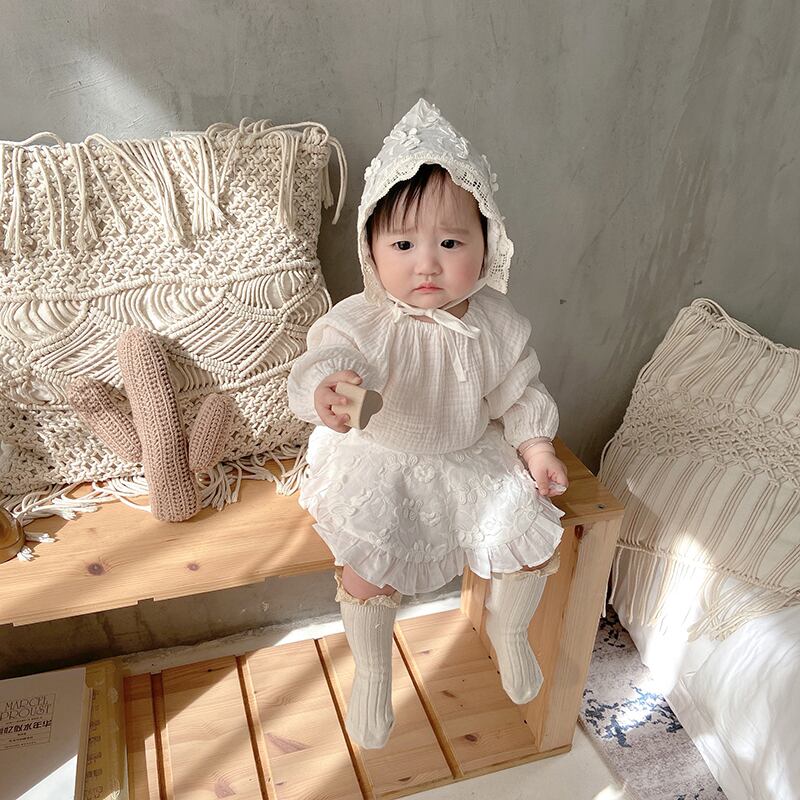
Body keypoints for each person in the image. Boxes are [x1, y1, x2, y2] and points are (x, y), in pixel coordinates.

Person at [287, 98, 569, 750]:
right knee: (367, 568)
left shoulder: (496, 324)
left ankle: (509, 630)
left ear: (487, 245)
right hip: (383, 457)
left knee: (528, 541)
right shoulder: (365, 320)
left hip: (469, 453)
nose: (427, 264)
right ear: (371, 248)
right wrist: (327, 388)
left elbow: (519, 391)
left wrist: (536, 446)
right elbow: (323, 362)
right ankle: (372, 669)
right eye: (404, 244)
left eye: (450, 242)